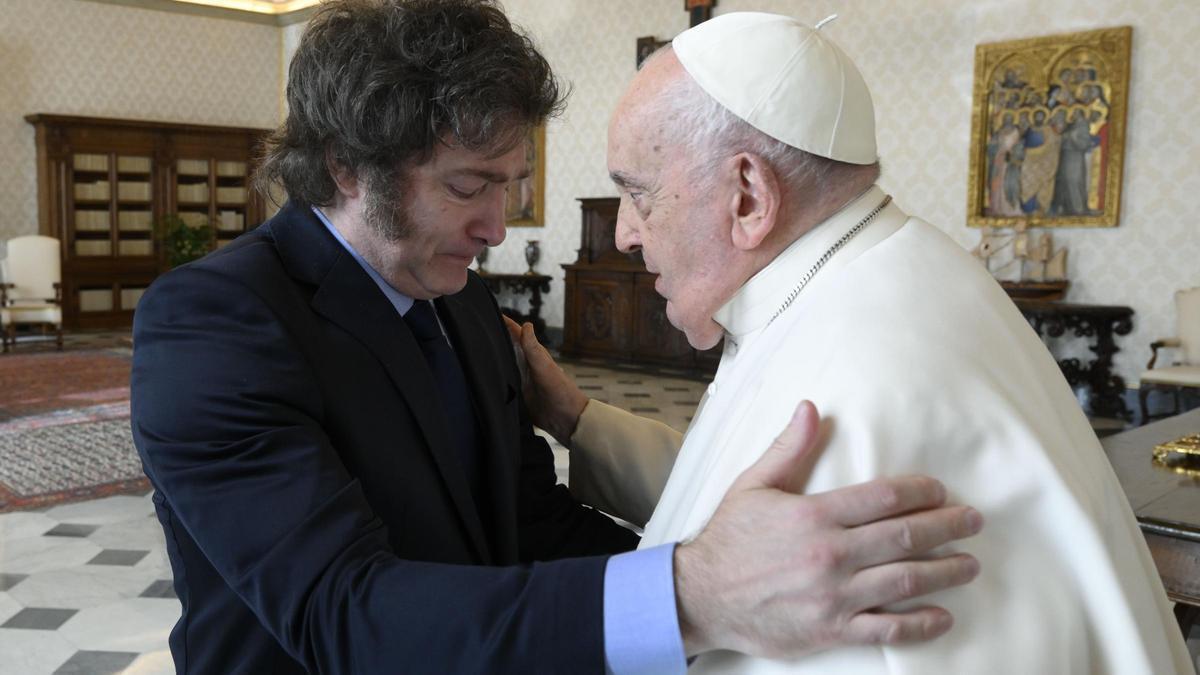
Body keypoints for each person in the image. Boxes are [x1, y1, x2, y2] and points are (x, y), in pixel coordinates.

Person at [129, 2, 983, 673]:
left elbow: (533, 523)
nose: (498, 227)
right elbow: (344, 617)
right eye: (470, 186)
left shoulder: (459, 300)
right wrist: (692, 595)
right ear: (351, 167)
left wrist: (754, 588)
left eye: (512, 186)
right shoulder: (216, 323)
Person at [509, 12, 1193, 674]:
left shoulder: (866, 375)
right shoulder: (877, 274)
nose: (625, 232)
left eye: (639, 195)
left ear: (748, 196)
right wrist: (576, 417)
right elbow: (728, 502)